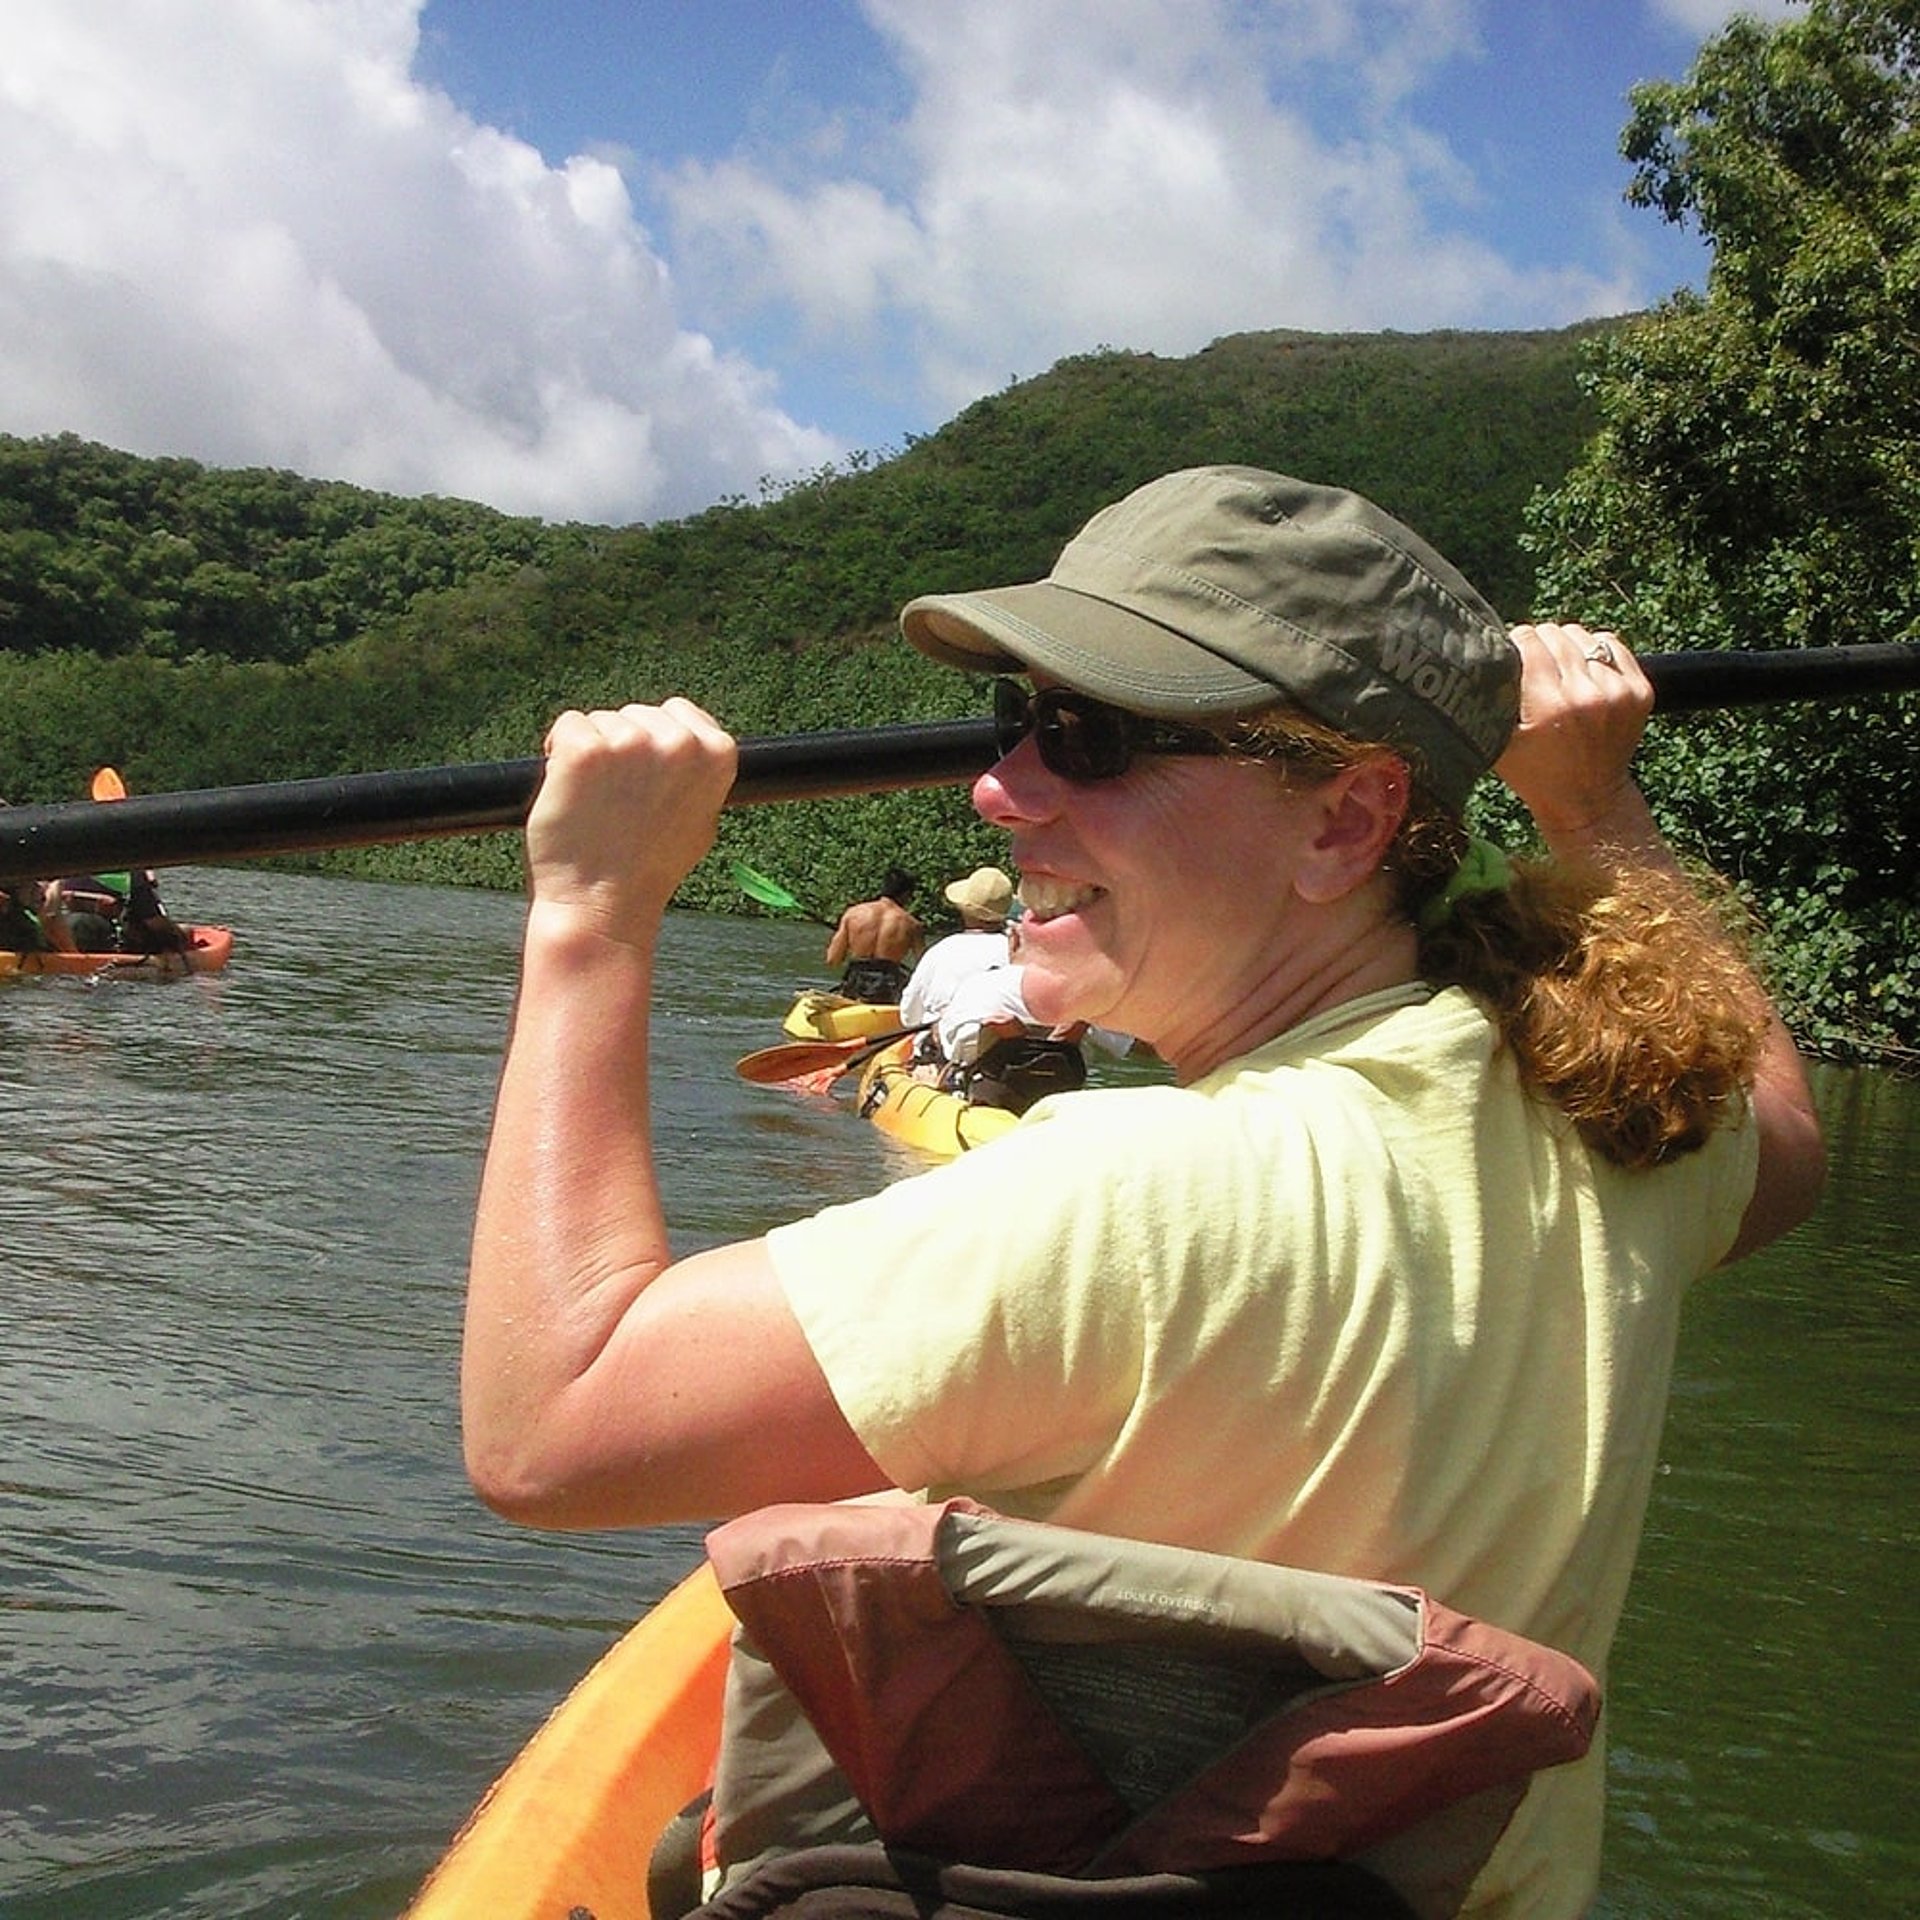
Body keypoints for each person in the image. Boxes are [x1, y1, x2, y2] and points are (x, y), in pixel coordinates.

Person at [462, 467, 1825, 1918]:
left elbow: (553, 1428)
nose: (1000, 788)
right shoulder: (1614, 1110)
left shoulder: (1129, 1195)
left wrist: (593, 915)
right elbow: (1785, 1135)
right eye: (1015, 720)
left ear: (1346, 822)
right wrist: (1593, 801)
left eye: (1090, 738)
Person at [896, 864, 1015, 1037]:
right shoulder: (1016, 953)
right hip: (998, 1045)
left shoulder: (940, 951)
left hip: (940, 1045)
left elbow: (909, 1016)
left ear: (965, 910)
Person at [822, 865, 923, 1002]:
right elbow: (924, 967)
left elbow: (832, 960)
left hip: (855, 985)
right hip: (889, 989)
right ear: (906, 894)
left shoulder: (853, 914)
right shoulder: (912, 925)